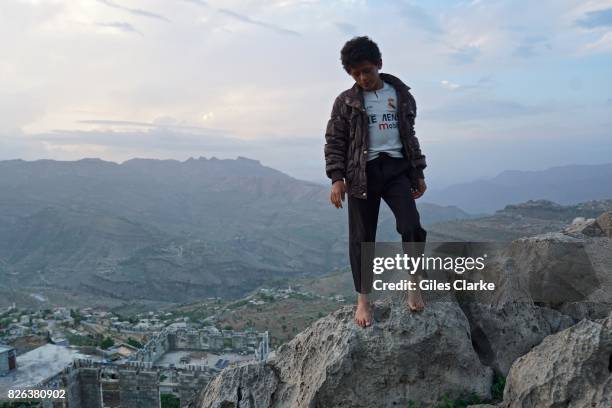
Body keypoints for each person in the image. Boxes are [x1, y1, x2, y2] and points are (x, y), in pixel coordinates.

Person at [324, 36, 428, 327]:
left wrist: (418, 172)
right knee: (362, 238)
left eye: (366, 71)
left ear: (379, 65)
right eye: (355, 73)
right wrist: (337, 178)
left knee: (411, 226)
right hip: (361, 174)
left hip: (396, 170)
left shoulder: (402, 95)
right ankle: (363, 301)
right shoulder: (346, 102)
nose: (362, 78)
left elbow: (410, 136)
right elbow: (335, 140)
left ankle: (413, 283)